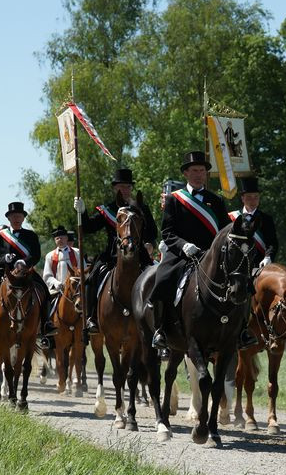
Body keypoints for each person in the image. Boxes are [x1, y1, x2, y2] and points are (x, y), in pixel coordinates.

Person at [149, 150, 258, 351]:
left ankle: (242, 330)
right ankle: (161, 330)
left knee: (244, 283)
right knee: (162, 279)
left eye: (202, 170)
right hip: (181, 254)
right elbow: (167, 232)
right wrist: (184, 246)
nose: (199, 174)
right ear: (186, 174)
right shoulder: (174, 199)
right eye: (194, 170)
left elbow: (227, 230)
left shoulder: (215, 200)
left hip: (211, 255)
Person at [73, 167, 157, 334]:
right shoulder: (106, 210)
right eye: (121, 187)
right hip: (112, 256)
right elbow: (88, 228)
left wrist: (149, 243)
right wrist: (81, 212)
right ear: (115, 188)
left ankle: (158, 323)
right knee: (91, 279)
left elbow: (152, 232)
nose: (124, 190)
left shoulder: (141, 208)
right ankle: (91, 318)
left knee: (157, 277)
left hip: (138, 255)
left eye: (127, 187)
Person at [0, 201, 57, 348]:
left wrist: (25, 262)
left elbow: (36, 255)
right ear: (9, 218)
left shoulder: (31, 235)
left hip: (25, 271)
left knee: (43, 288)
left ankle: (46, 323)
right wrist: (4, 259)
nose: (17, 219)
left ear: (23, 218)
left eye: (19, 216)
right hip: (5, 269)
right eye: (14, 216)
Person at [229, 176, 286, 343]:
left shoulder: (266, 219)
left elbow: (272, 242)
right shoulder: (231, 217)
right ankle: (240, 327)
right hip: (237, 266)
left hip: (260, 264)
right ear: (242, 198)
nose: (253, 200)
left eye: (256, 197)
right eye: (249, 197)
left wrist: (268, 257)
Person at [42, 226, 84, 323]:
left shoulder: (76, 252)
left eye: (62, 237)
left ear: (66, 238)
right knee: (45, 303)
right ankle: (47, 325)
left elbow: (83, 269)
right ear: (54, 240)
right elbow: (47, 275)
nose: (60, 240)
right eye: (57, 238)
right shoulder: (50, 255)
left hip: (76, 289)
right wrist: (56, 283)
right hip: (58, 289)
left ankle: (91, 321)